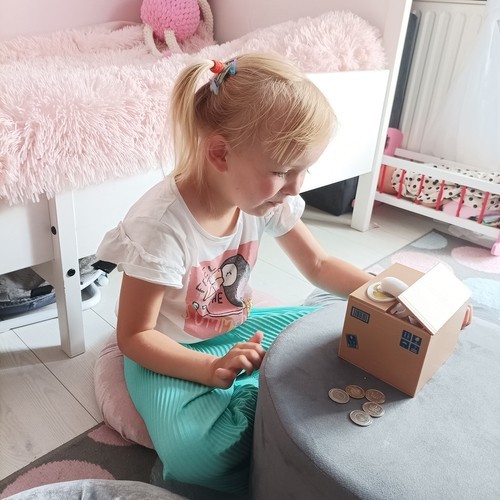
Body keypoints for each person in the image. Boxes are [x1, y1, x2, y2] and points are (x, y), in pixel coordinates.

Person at [96, 52, 372, 496]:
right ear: (221, 154)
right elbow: (135, 336)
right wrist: (209, 369)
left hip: (238, 330)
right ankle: (253, 403)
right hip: (171, 352)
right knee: (197, 455)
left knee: (345, 324)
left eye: (304, 170)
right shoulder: (160, 226)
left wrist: (384, 293)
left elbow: (319, 265)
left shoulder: (265, 199)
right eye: (282, 171)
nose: (296, 186)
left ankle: (258, 397)